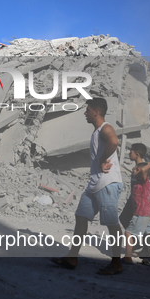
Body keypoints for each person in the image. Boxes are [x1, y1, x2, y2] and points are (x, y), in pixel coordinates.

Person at [51, 97, 124, 274]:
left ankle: (116, 263)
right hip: (95, 184)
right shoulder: (97, 131)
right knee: (81, 217)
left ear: (96, 111)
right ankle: (72, 257)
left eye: (88, 110)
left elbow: (114, 142)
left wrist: (102, 159)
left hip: (107, 183)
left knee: (112, 224)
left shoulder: (105, 128)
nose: (85, 112)